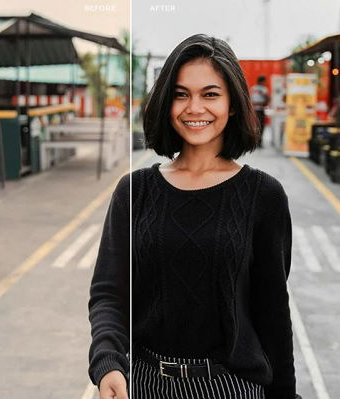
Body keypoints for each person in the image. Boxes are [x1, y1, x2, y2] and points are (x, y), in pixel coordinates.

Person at [88, 34, 300, 399]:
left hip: (231, 386)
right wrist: (107, 361)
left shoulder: (263, 196)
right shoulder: (134, 191)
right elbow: (109, 292)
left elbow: (273, 314)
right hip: (146, 383)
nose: (194, 107)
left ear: (233, 104)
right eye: (181, 94)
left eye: (211, 94)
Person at [250, 75, 270, 148]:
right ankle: (259, 142)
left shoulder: (253, 88)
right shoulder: (264, 89)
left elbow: (250, 99)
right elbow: (268, 99)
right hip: (261, 109)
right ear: (262, 81)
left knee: (255, 126)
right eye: (264, 81)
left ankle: (255, 141)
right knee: (261, 126)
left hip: (254, 109)